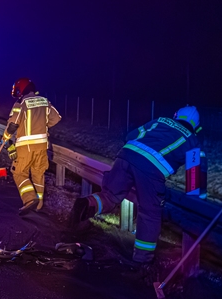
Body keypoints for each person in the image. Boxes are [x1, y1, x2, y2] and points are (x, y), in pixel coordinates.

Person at [69, 106, 207, 264]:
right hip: (151, 169)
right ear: (196, 126)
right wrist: (199, 203)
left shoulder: (160, 121)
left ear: (176, 116)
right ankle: (142, 262)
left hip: (125, 155)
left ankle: (85, 204)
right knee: (150, 214)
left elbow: (130, 136)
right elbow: (195, 182)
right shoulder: (193, 142)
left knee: (110, 196)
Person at [2, 78, 61, 215]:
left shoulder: (21, 103)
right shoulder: (45, 101)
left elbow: (13, 124)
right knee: (38, 174)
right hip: (42, 147)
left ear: (21, 90)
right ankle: (38, 205)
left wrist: (5, 137)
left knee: (19, 173)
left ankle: (29, 199)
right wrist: (41, 125)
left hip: (25, 147)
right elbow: (56, 118)